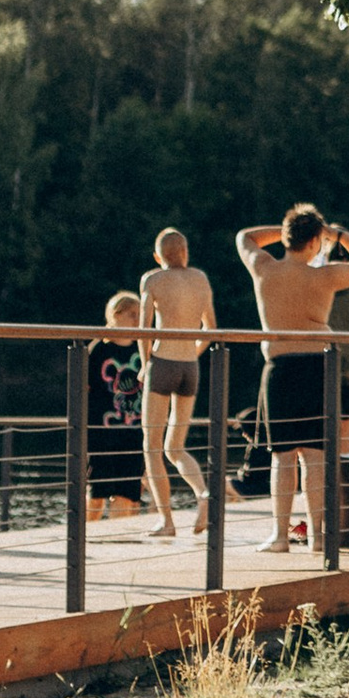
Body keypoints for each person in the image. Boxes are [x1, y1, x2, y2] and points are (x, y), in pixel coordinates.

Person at [237, 200, 349, 556]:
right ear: (316, 241)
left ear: (287, 238)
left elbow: (245, 236)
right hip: (318, 368)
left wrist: (287, 229)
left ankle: (280, 536)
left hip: (281, 369)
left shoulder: (264, 268)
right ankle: (318, 537)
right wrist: (338, 235)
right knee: (315, 458)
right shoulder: (325, 275)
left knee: (282, 457)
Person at [138, 228, 215, 538]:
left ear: (159, 257)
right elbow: (210, 329)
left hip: (163, 362)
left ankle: (167, 521)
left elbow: (144, 330)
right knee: (176, 447)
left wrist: (146, 365)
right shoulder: (200, 279)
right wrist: (193, 353)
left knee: (152, 447)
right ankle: (203, 492)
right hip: (190, 366)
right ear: (186, 252)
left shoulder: (152, 280)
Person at [88, 295, 146, 519]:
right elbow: (85, 388)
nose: (137, 320)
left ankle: (118, 538)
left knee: (127, 490)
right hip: (102, 430)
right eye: (132, 314)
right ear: (116, 315)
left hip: (133, 430)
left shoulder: (143, 348)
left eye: (140, 315)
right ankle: (87, 537)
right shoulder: (99, 350)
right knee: (98, 489)